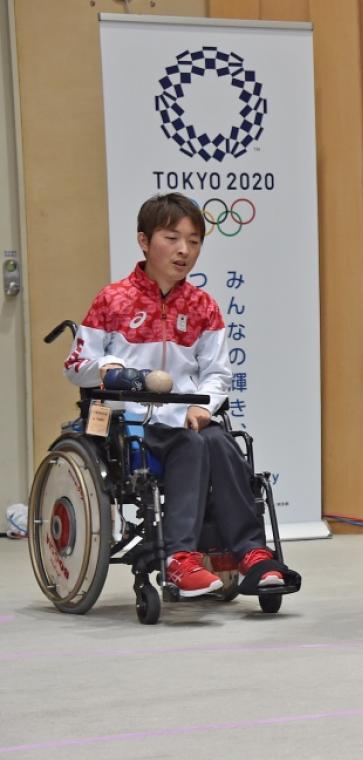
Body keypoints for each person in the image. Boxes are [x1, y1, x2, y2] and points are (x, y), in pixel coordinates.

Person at [64, 193, 284, 597]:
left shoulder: (204, 307)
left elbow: (217, 374)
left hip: (186, 420)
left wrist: (202, 408)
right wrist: (106, 370)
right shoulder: (112, 301)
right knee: (193, 445)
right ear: (144, 241)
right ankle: (180, 558)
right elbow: (76, 365)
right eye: (172, 238)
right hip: (128, 427)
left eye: (195, 240)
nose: (184, 250)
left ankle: (251, 552)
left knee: (219, 439)